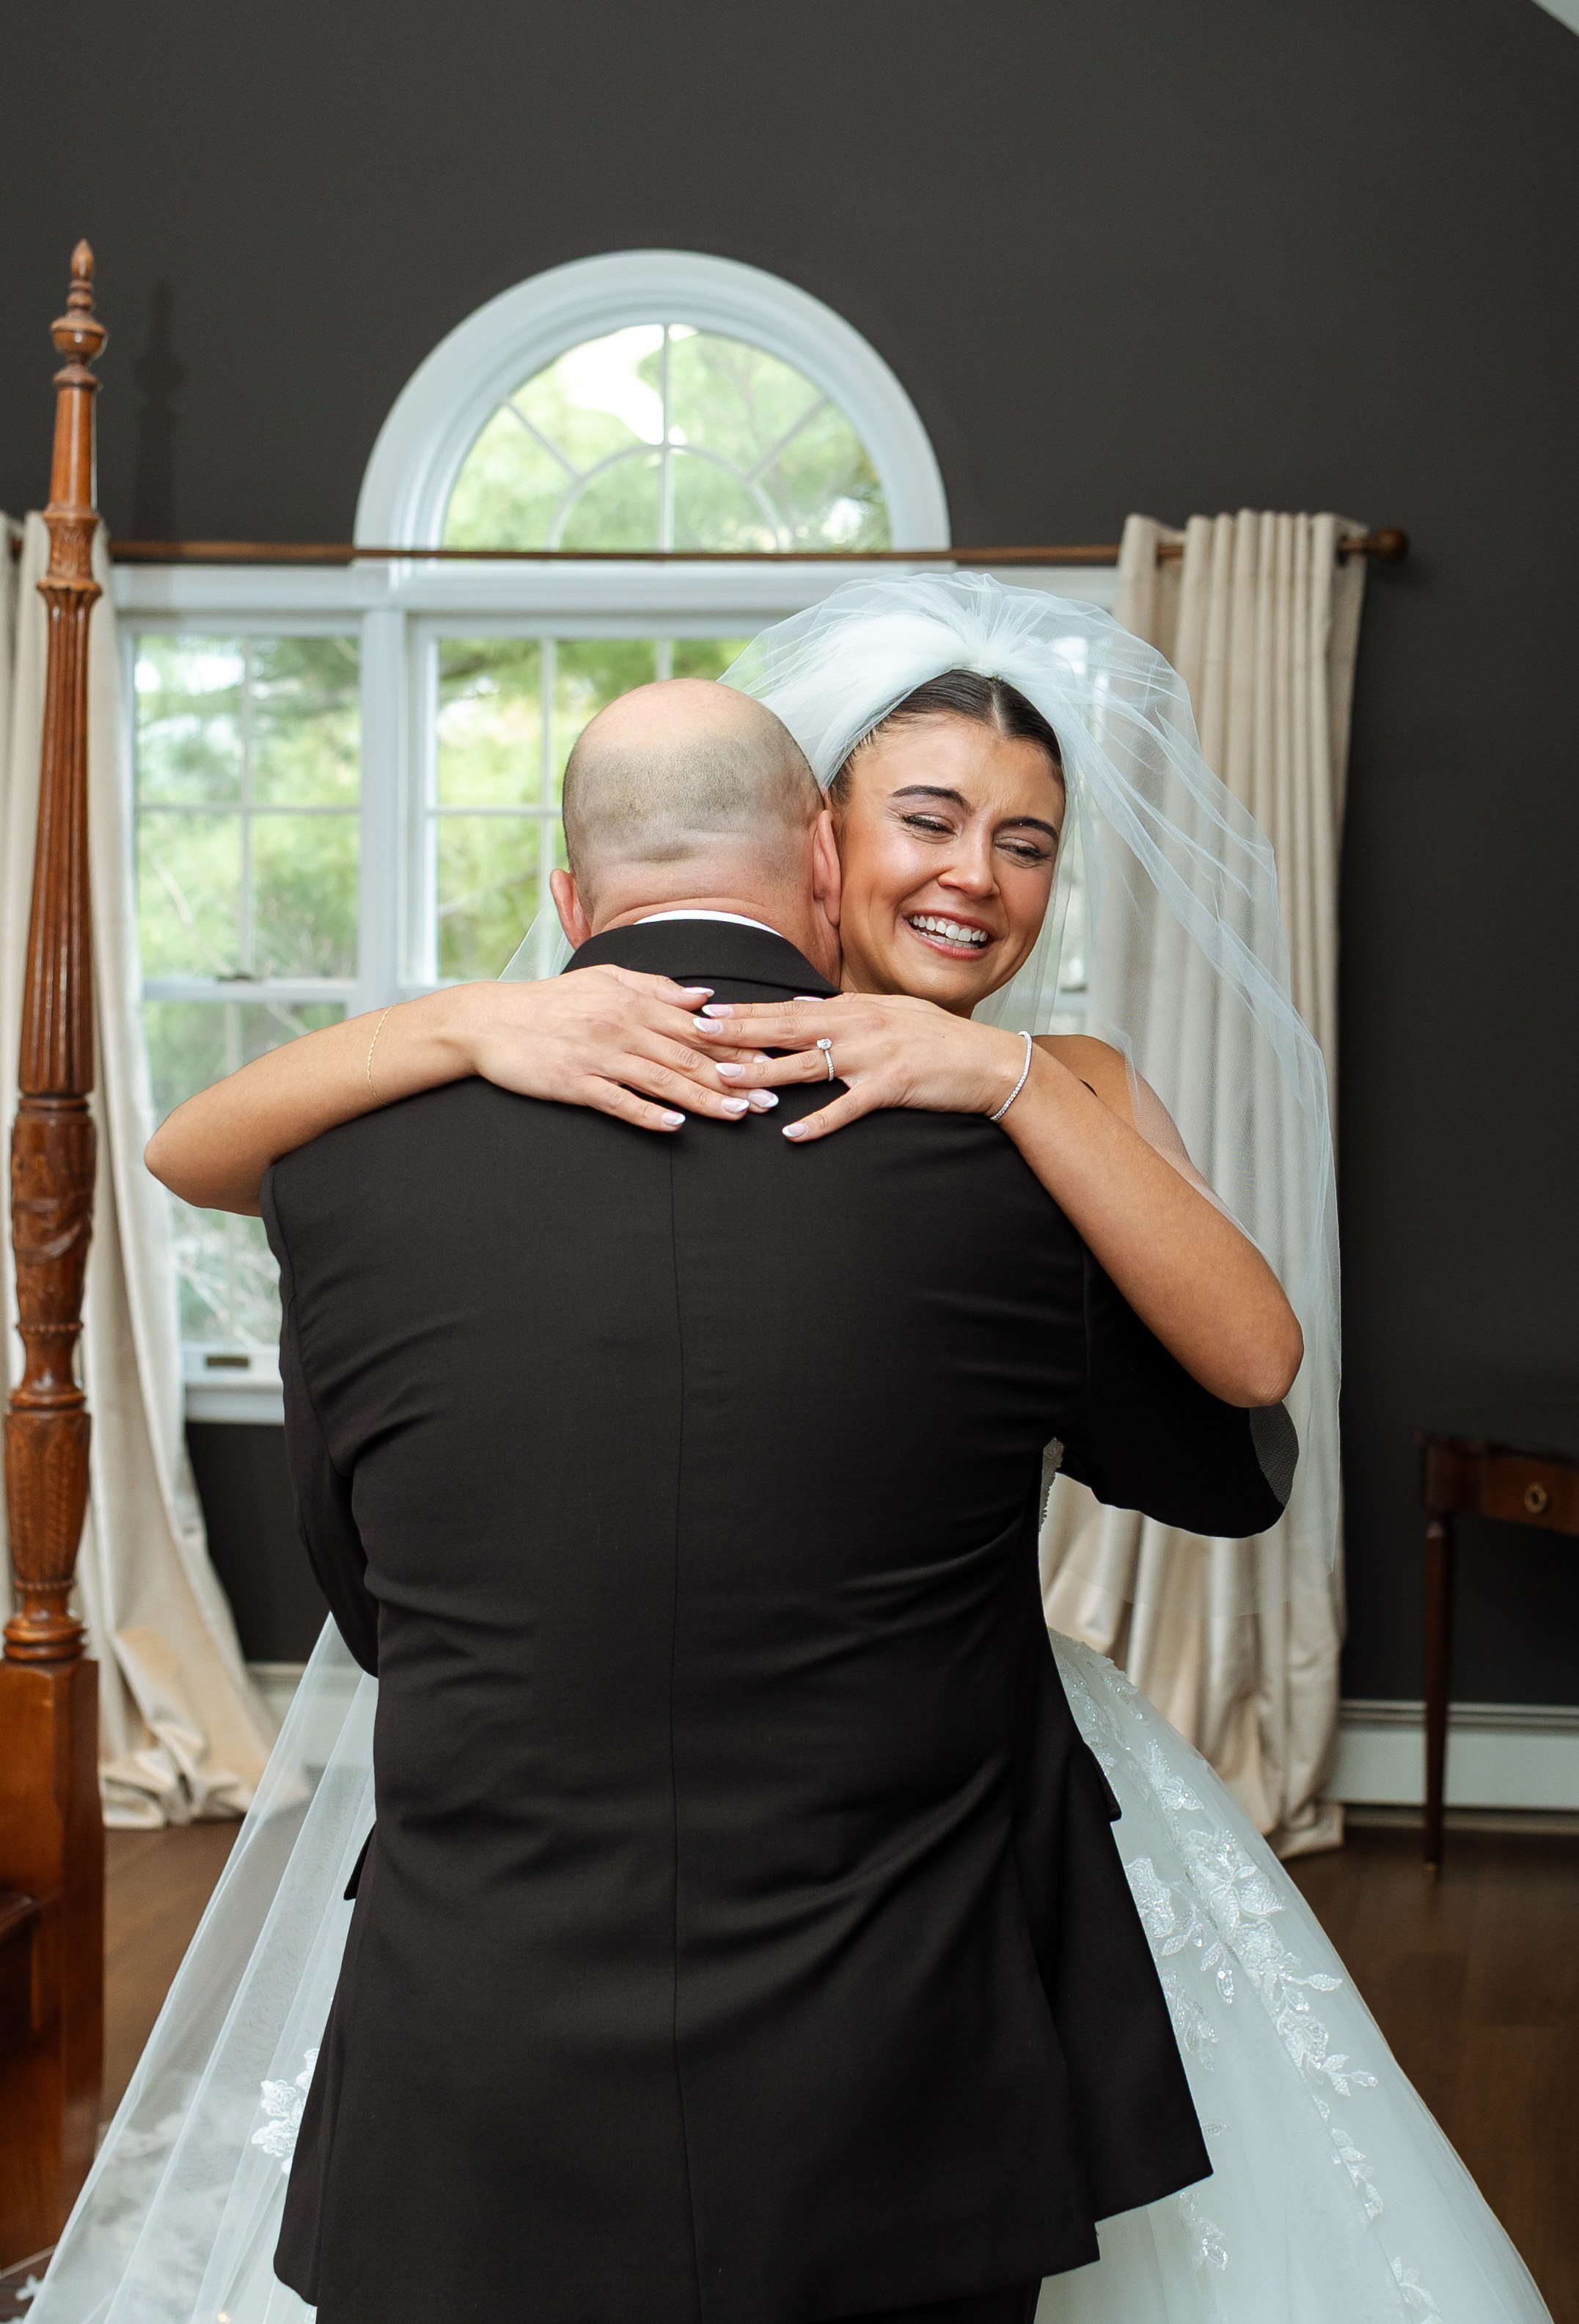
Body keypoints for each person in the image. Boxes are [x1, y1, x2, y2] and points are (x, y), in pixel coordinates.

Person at [38, 579, 1550, 2324]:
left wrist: (1005, 1084)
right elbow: (1227, 1459)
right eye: (926, 817)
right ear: (817, 847)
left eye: (1029, 841)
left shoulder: (1039, 1106)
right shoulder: (571, 1080)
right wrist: (469, 1015)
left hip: (639, 1919)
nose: (975, 873)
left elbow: (1244, 1394)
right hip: (870, 1953)